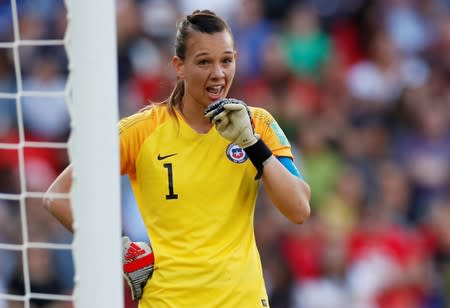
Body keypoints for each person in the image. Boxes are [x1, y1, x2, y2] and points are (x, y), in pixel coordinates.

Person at [44, 9, 311, 307]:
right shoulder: (142, 130)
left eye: (226, 60)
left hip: (242, 299)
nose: (218, 73)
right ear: (179, 67)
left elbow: (299, 209)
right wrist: (120, 248)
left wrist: (251, 144)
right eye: (204, 62)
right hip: (168, 300)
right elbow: (59, 195)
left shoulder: (257, 124)